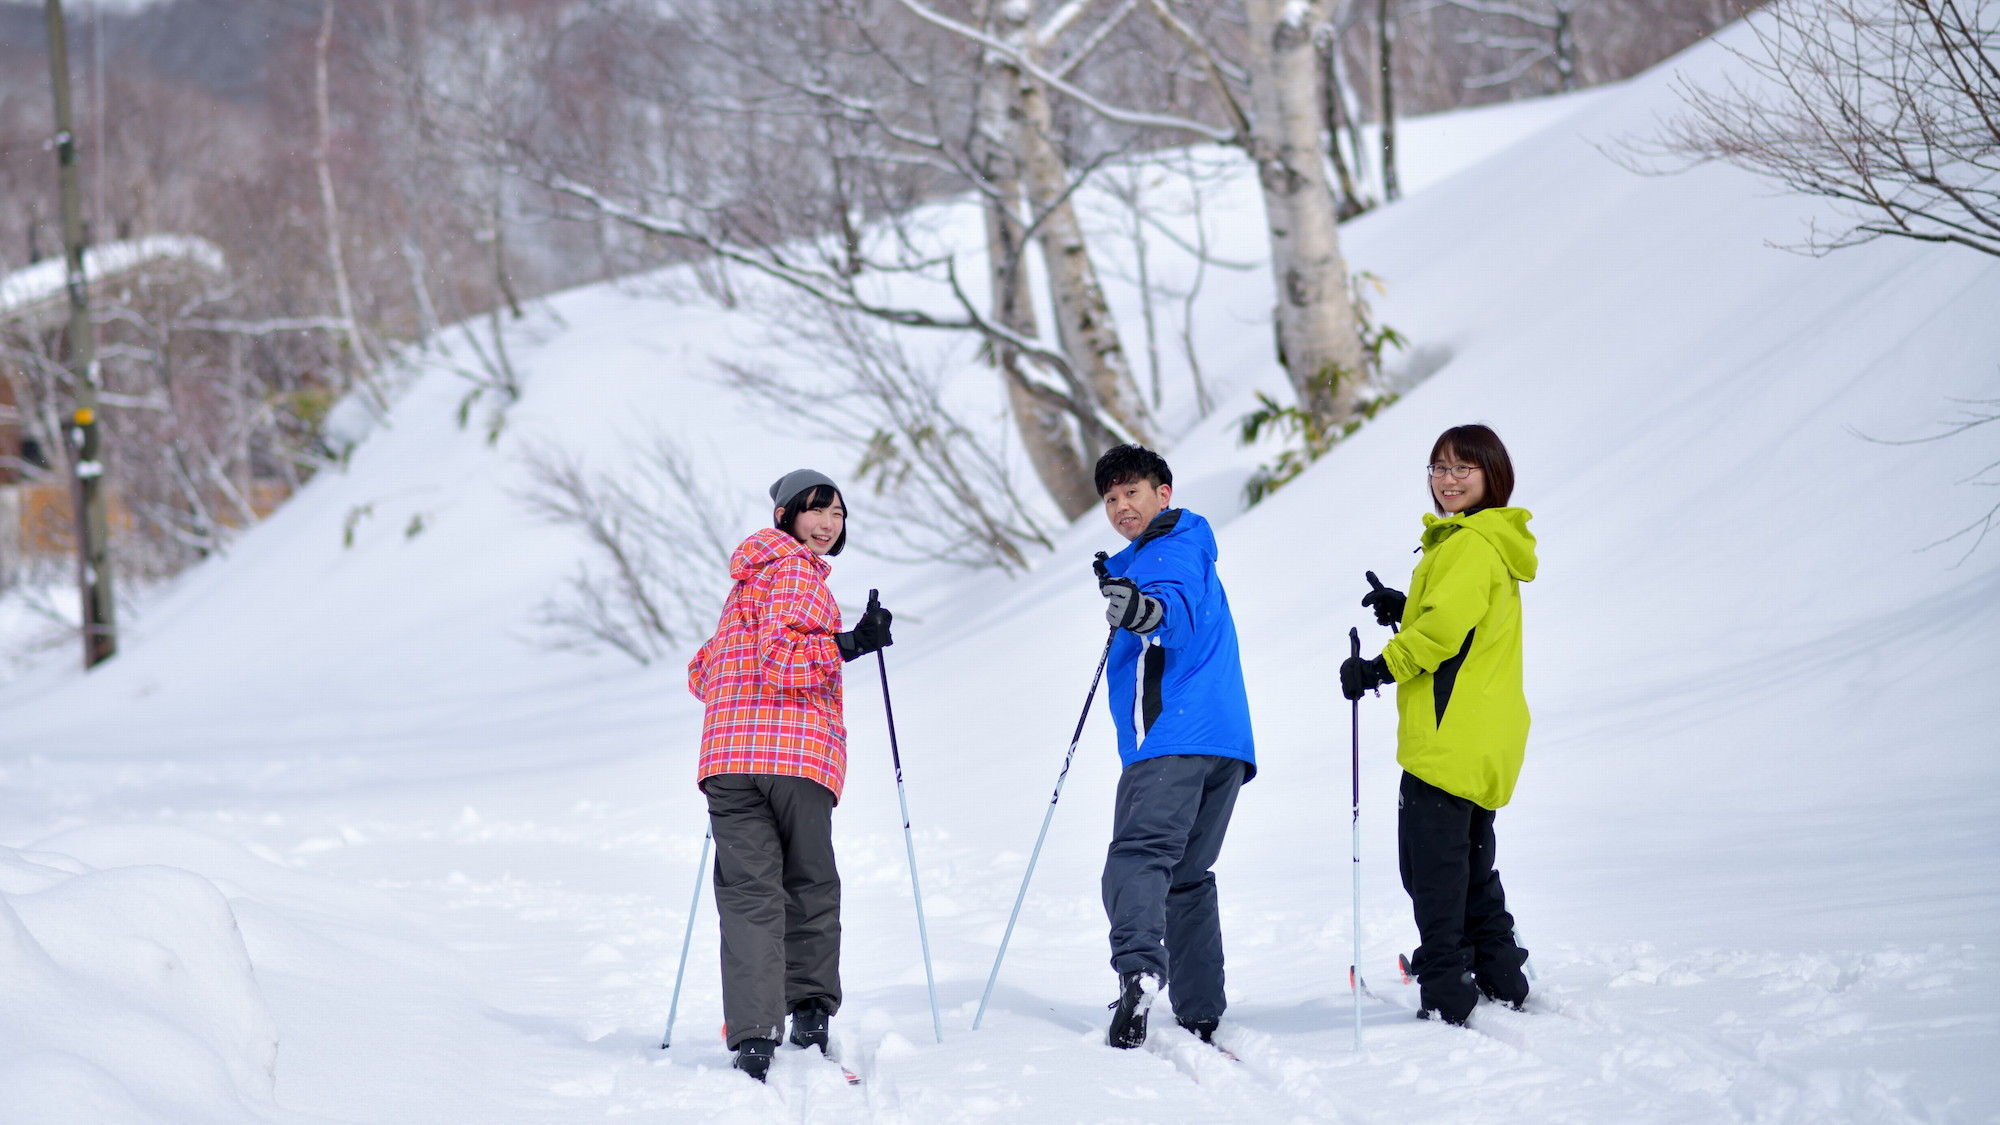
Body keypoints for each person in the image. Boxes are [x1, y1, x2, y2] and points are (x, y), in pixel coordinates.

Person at [686, 469, 894, 1082]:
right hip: (796, 757)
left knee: (749, 897)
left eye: (837, 513)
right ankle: (807, 1012)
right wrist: (852, 641)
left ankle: (753, 1038)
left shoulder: (744, 584)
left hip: (729, 762)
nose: (828, 524)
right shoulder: (798, 570)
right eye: (815, 511)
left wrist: (736, 692)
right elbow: (781, 661)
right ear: (786, 517)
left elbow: (703, 673)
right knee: (807, 885)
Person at [1340, 423, 1536, 1027]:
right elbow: (1459, 624)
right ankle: (1502, 976)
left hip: (1447, 740)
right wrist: (1407, 606)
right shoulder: (1485, 542)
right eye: (1439, 469)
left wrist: (1376, 669)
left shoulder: (1471, 544)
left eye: (1462, 470)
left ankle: (1447, 992)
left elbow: (1441, 636)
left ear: (1491, 476)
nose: (1448, 481)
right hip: (1481, 734)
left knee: (1431, 872)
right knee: (1470, 865)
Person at [1092, 444, 1256, 1050]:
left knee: (1138, 857)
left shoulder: (1170, 547)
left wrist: (1142, 610)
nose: (1121, 506)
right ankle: (1201, 1009)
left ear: (1164, 493)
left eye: (1132, 492)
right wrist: (1128, 591)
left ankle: (1138, 972)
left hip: (1172, 738)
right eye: (1110, 498)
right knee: (1187, 874)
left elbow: (1174, 613)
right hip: (1224, 741)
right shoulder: (1175, 548)